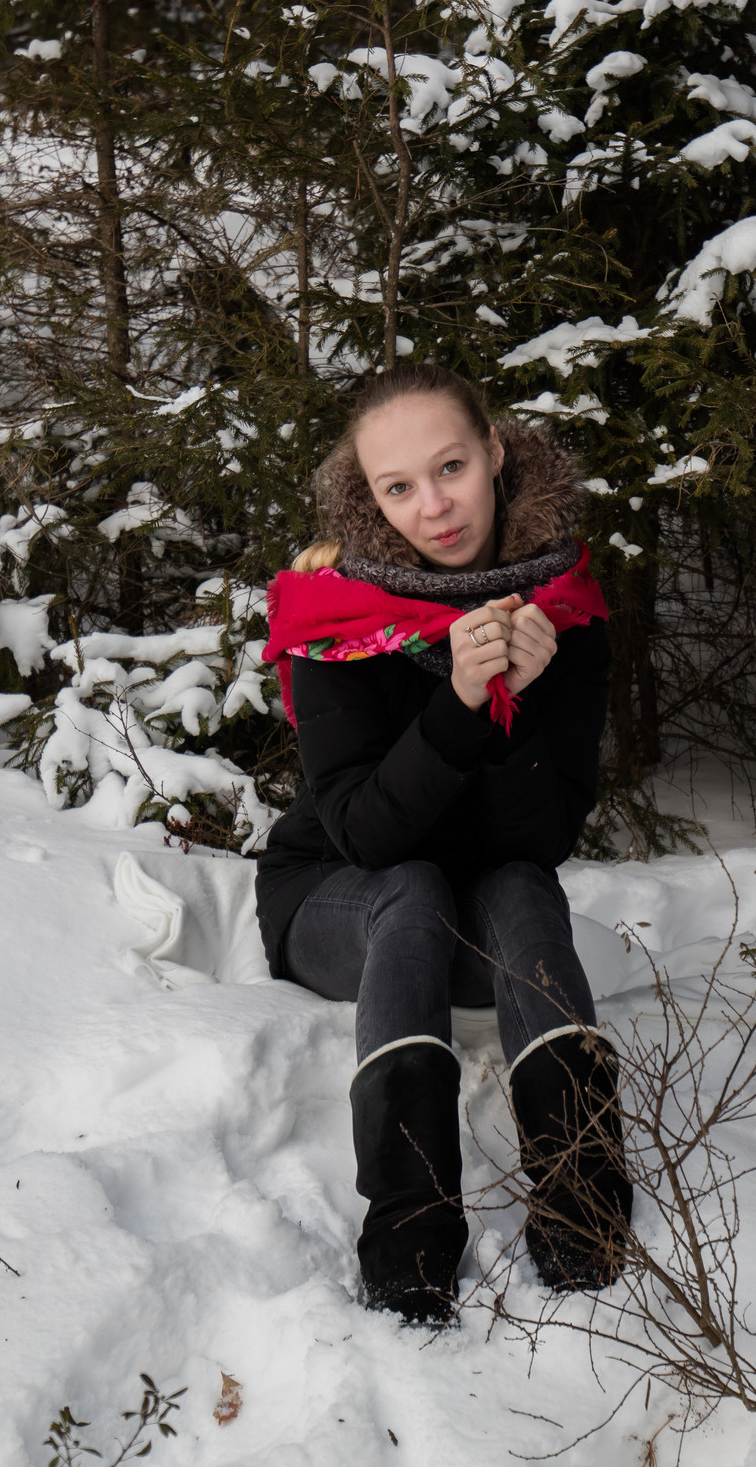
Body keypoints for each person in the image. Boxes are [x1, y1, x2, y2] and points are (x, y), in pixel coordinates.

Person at [253, 363, 630, 1327]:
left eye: (451, 466)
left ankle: (583, 1189)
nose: (435, 506)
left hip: (485, 894)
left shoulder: (565, 605)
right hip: (341, 891)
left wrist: (523, 701)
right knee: (413, 884)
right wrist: (463, 701)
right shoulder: (331, 608)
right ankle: (409, 1217)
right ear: (369, 496)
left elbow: (539, 837)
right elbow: (368, 833)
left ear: (495, 453)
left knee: (520, 885)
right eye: (399, 486)